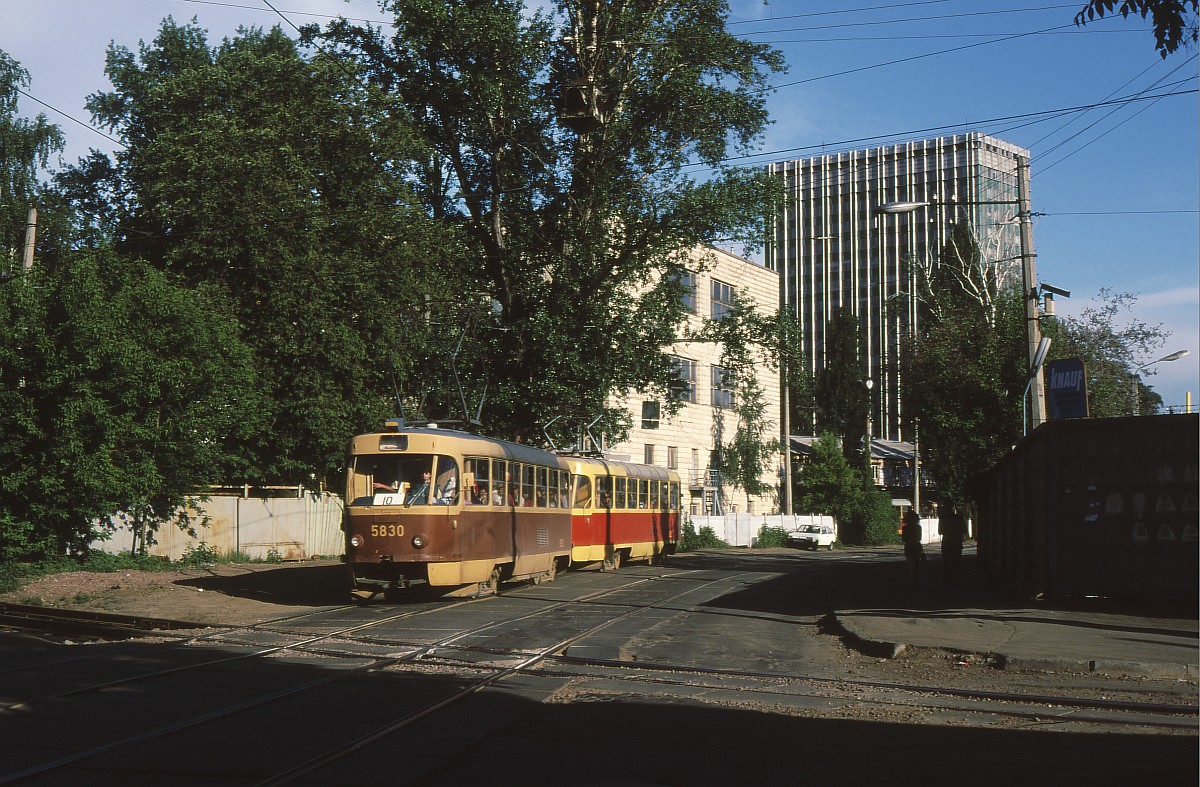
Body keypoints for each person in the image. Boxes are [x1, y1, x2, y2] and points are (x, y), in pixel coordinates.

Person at [939, 509, 967, 588]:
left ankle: (947, 582)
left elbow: (940, 531)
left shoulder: (942, 518)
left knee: (946, 563)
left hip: (946, 542)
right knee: (957, 562)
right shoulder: (959, 518)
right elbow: (964, 530)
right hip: (957, 542)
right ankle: (957, 581)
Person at [902, 510, 923, 590]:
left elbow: (904, 539)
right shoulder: (918, 527)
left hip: (908, 546)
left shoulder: (905, 528)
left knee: (910, 565)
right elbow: (919, 538)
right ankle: (916, 580)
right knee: (916, 565)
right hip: (917, 546)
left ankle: (912, 581)